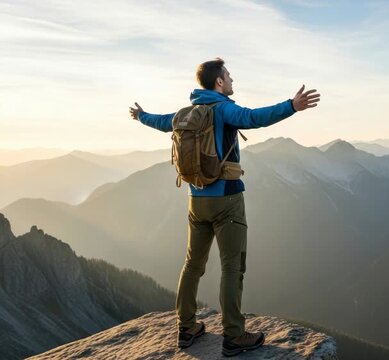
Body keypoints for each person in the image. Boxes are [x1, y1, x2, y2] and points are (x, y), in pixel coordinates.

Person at [128, 58, 320, 356]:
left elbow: (160, 121)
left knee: (193, 264)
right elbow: (254, 117)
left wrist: (141, 116)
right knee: (232, 267)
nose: (232, 80)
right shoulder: (223, 110)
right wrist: (291, 106)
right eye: (229, 76)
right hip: (227, 201)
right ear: (218, 82)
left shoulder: (185, 114)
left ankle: (186, 327)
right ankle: (234, 335)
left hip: (195, 200)